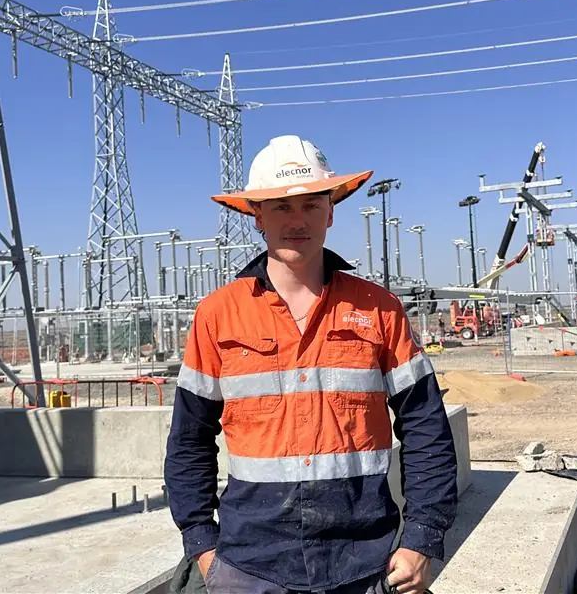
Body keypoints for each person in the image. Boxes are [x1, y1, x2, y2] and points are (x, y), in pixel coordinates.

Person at [165, 135, 458, 594]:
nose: (297, 219)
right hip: (248, 568)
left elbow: (426, 427)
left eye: (311, 204)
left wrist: (423, 537)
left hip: (365, 563)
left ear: (331, 211)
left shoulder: (379, 310)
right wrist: (202, 544)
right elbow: (189, 439)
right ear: (257, 216)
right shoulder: (218, 315)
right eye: (281, 206)